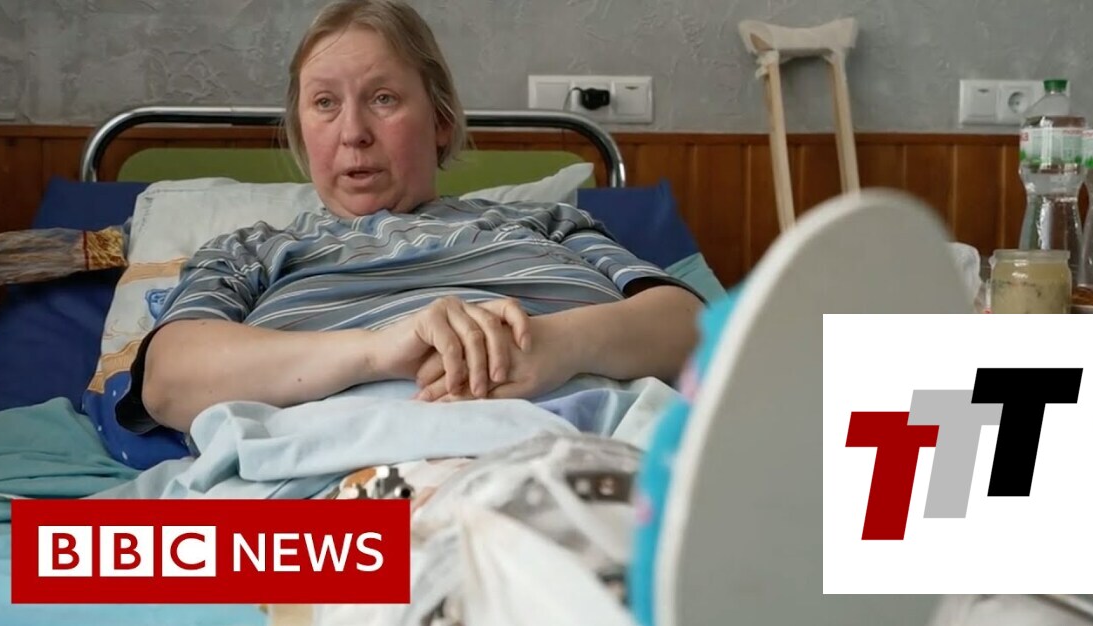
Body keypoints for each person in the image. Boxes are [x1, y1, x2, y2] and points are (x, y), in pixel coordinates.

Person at [116, 0, 703, 435]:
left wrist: (559, 344)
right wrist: (377, 350)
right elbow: (168, 381)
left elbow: (696, 330)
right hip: (339, 469)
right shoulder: (247, 252)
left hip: (582, 442)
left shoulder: (548, 223)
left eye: (383, 98)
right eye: (324, 103)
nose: (353, 133)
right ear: (301, 131)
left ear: (441, 121)